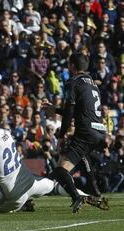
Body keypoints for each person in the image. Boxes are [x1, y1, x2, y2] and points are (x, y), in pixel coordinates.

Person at [0, 105, 91, 214]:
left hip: (14, 197)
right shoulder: (5, 133)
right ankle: (86, 195)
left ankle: (22, 206)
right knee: (54, 186)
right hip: (30, 183)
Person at [43, 53, 109, 213]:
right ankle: (95, 191)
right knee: (83, 155)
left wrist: (60, 136)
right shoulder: (93, 84)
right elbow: (79, 109)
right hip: (99, 131)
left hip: (86, 132)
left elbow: (70, 113)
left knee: (60, 170)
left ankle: (77, 197)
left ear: (72, 66)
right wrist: (56, 109)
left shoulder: (74, 83)